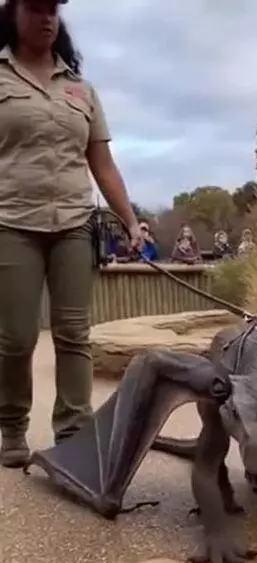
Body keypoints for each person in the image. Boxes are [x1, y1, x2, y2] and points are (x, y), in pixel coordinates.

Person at [0, 0, 143, 468]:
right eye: (36, 8)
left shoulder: (81, 90)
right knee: (17, 337)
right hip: (11, 222)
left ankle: (75, 431)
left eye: (53, 11)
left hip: (74, 225)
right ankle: (12, 426)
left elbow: (101, 162)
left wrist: (130, 219)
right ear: (13, 13)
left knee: (74, 334)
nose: (46, 18)